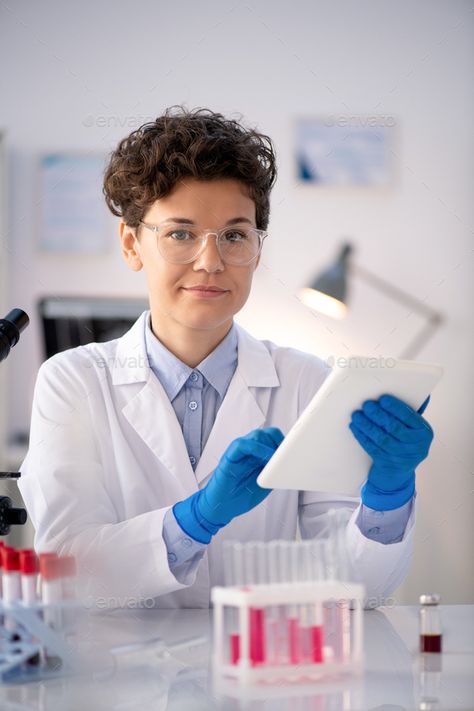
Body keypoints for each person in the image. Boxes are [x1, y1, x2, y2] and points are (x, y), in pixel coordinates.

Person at [18, 106, 434, 609]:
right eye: (180, 233)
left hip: (261, 671)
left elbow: (358, 590)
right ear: (132, 244)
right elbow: (68, 575)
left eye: (235, 235)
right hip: (119, 679)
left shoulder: (305, 381)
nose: (210, 262)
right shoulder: (74, 380)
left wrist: (385, 497)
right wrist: (196, 519)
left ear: (257, 250)